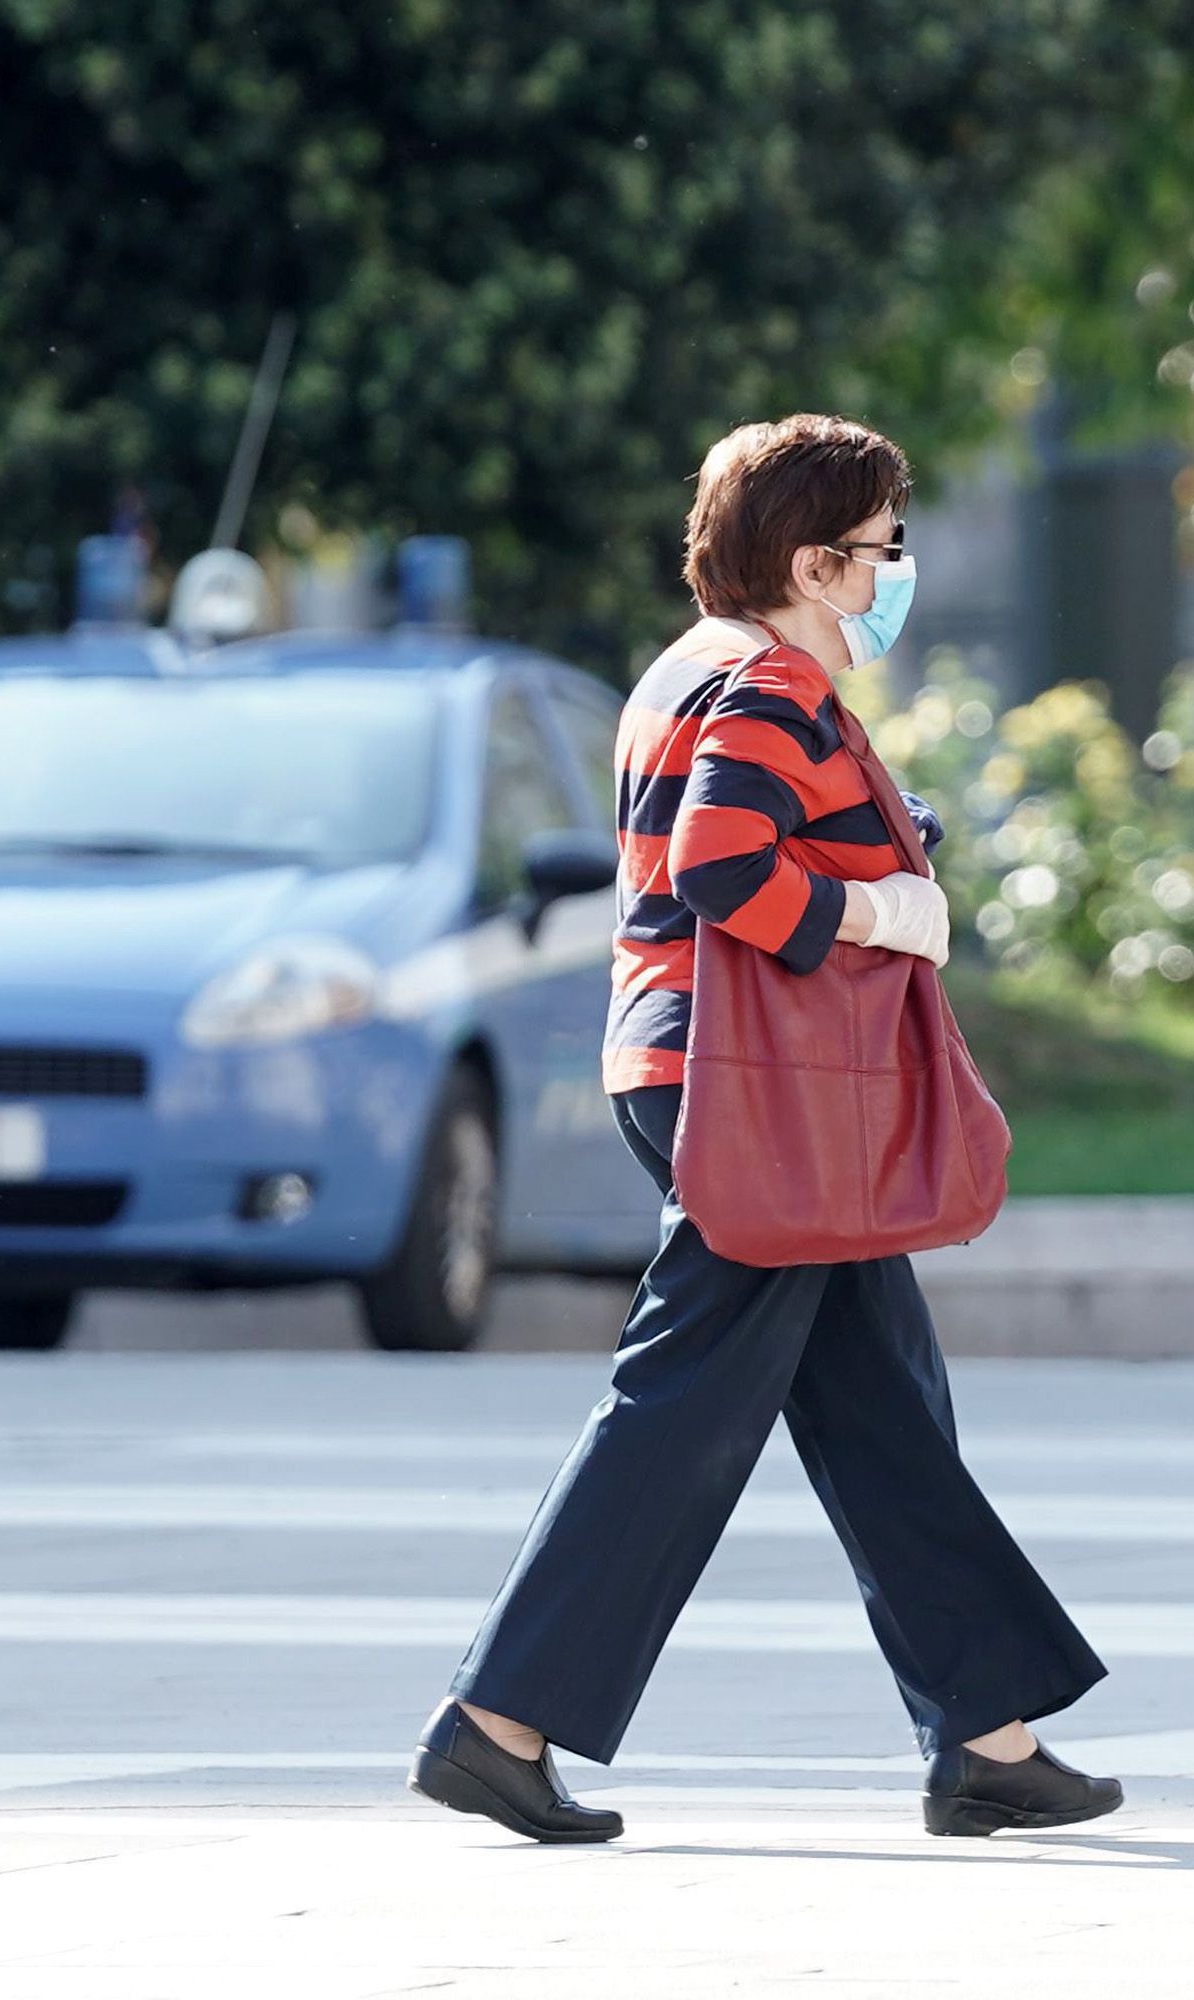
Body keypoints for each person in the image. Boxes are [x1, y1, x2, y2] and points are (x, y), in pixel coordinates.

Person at [410, 414, 1121, 1843]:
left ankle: (988, 1739)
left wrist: (876, 834)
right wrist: (879, 907)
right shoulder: (771, 685)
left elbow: (729, 835)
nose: (888, 577)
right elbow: (726, 867)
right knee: (682, 1407)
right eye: (877, 551)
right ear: (810, 561)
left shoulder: (691, 669)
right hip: (750, 1087)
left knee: (883, 1406)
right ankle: (499, 1722)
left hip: (696, 1069)